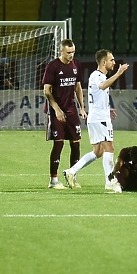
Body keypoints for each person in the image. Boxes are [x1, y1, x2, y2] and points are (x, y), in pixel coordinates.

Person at [63, 49, 128, 192]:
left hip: (98, 117)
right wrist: (119, 73)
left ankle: (71, 172)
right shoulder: (97, 76)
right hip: (99, 119)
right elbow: (102, 86)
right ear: (104, 62)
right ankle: (109, 181)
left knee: (98, 151)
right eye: (111, 60)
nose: (114, 62)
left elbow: (99, 94)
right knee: (109, 148)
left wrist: (107, 108)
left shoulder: (98, 76)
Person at [42, 39, 87, 190]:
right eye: (68, 52)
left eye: (73, 52)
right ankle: (53, 180)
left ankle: (72, 175)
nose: (71, 55)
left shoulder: (76, 65)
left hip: (71, 110)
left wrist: (82, 107)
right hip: (56, 111)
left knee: (76, 143)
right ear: (61, 51)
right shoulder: (53, 66)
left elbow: (78, 87)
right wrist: (56, 109)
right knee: (59, 143)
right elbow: (47, 91)